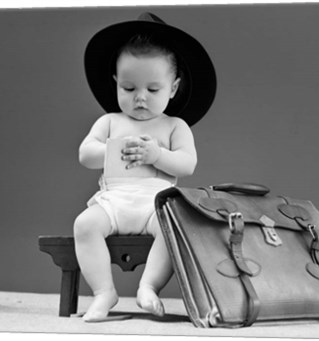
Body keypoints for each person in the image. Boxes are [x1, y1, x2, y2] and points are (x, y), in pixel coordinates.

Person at [74, 12, 216, 322]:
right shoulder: (110, 122)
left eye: (153, 90)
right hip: (114, 200)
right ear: (115, 83)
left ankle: (148, 286)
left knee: (172, 228)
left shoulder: (174, 126)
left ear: (173, 88)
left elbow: (187, 164)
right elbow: (86, 154)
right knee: (85, 226)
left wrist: (156, 155)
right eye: (128, 88)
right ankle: (103, 292)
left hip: (156, 204)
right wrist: (112, 149)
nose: (140, 98)